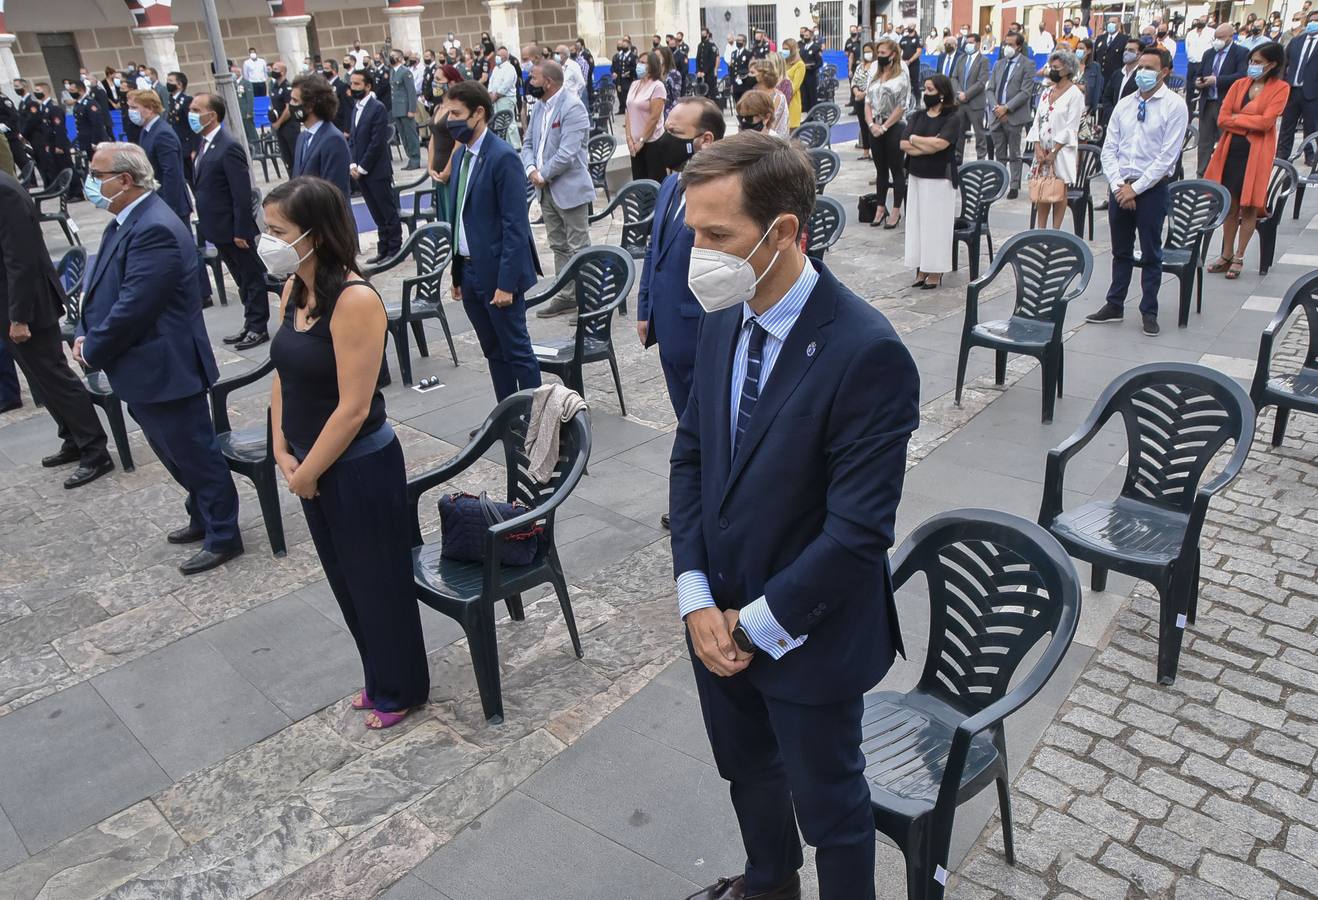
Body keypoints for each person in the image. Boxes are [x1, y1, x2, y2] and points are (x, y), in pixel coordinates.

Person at [670, 130, 919, 900]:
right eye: (693, 232)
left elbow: (856, 535)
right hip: (717, 618)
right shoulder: (727, 312)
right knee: (747, 772)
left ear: (783, 232)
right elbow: (693, 458)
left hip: (808, 633)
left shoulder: (866, 352)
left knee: (833, 811)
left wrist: (750, 626)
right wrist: (696, 597)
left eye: (718, 235)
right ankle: (769, 882)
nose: (699, 253)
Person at [262, 177, 429, 730]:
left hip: (356, 466)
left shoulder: (355, 300)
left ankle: (401, 686)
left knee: (378, 580)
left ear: (316, 235)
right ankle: (377, 674)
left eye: (278, 232)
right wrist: (281, 446)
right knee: (345, 579)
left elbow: (354, 407)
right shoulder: (294, 289)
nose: (269, 241)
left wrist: (307, 471)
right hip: (309, 463)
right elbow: (283, 372)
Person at [76, 143, 241, 573]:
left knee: (195, 454)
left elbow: (136, 305)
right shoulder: (123, 222)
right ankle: (202, 515)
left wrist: (92, 348)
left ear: (125, 180)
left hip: (166, 366)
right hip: (140, 368)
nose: (91, 182)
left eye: (98, 174)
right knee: (172, 452)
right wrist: (83, 330)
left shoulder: (155, 228)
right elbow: (101, 289)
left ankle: (225, 533)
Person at [0, 169, 113, 486]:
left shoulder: (4, 191)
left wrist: (18, 315)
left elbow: (19, 259)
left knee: (55, 377)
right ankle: (72, 438)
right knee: (40, 379)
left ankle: (94, 449)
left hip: (27, 305)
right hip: (12, 306)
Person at [637, 95, 724, 458]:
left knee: (709, 426)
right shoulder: (671, 186)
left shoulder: (725, 193)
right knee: (686, 422)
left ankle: (707, 503)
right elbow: (653, 250)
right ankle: (695, 497)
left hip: (701, 328)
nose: (664, 139)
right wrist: (645, 309)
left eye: (674, 132)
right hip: (667, 325)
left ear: (704, 140)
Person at [445, 81, 542, 400]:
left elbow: (515, 226)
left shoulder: (502, 157)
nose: (450, 120)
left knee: (517, 351)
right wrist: (457, 274)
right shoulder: (461, 157)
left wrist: (506, 283)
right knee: (493, 351)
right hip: (470, 272)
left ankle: (537, 422)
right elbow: (460, 216)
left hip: (499, 275)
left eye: (456, 113)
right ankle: (507, 419)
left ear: (479, 113)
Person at [1088, 46, 1187, 337]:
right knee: (1120, 250)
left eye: (1149, 67)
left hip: (1151, 188)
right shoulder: (1126, 104)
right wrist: (1120, 185)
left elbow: (1167, 157)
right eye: (1140, 66)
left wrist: (1137, 188)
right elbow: (1109, 149)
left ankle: (1149, 310)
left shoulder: (1174, 105)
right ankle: (1114, 303)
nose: (1141, 72)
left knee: (1151, 252)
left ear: (1164, 72)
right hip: (1121, 186)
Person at [190, 92, 269, 350]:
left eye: (196, 109)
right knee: (240, 278)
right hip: (218, 227)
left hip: (234, 228)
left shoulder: (228, 145)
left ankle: (258, 326)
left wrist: (242, 229)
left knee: (251, 276)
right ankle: (249, 322)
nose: (191, 114)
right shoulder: (204, 143)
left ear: (211, 115)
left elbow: (240, 192)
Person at [1204, 43, 1290, 280]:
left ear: (1272, 64)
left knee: (1249, 205)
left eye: (1258, 62)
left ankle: (1240, 256)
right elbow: (1222, 118)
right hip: (1231, 149)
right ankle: (1226, 253)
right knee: (1230, 203)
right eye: (1251, 61)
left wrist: (1238, 118)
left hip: (1257, 152)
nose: (1253, 66)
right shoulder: (1239, 85)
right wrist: (1248, 119)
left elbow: (1266, 123)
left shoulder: (1280, 88)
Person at [521, 59, 595, 320]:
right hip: (545, 190)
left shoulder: (573, 107)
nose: (530, 83)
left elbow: (568, 153)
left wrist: (543, 174)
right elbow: (528, 142)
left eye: (533, 78)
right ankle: (566, 296)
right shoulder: (540, 107)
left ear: (548, 82)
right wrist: (530, 169)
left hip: (569, 189)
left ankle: (589, 300)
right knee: (558, 245)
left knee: (578, 246)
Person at [902, 75, 963, 290]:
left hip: (940, 178)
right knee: (917, 223)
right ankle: (921, 267)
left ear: (942, 93)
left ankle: (936, 269)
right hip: (917, 175)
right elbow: (903, 143)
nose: (926, 93)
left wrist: (916, 140)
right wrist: (922, 144)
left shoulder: (952, 117)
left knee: (936, 225)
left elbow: (941, 144)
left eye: (930, 90)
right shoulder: (918, 116)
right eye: (925, 89)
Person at [348, 68, 404, 265]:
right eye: (352, 83)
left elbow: (376, 142)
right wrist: (353, 164)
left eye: (357, 84)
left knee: (387, 211)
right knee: (376, 213)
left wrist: (362, 167)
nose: (353, 87)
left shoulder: (377, 107)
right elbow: (354, 139)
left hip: (376, 171)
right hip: (361, 171)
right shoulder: (356, 108)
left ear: (368, 86)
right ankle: (383, 248)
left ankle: (395, 248)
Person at [1027, 50, 1085, 229]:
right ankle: (1041, 230)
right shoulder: (1047, 92)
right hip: (1042, 149)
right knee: (1043, 189)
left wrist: (1054, 151)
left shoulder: (1075, 94)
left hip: (1061, 150)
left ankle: (1056, 230)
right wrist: (1036, 146)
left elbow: (1071, 126)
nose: (1051, 71)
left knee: (1059, 190)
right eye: (1050, 67)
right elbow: (1037, 119)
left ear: (1067, 70)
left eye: (1056, 68)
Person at [127, 89, 190, 226]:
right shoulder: (146, 130)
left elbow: (171, 173)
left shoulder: (162, 133)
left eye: (134, 108)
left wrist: (167, 207)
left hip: (171, 204)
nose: (130, 111)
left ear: (149, 108)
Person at [866, 38, 910, 229]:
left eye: (883, 53)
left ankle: (896, 210)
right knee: (880, 169)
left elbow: (902, 105)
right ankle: (880, 208)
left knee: (896, 168)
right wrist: (870, 124)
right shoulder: (875, 74)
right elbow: (867, 101)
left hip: (894, 125)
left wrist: (885, 127)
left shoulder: (901, 75)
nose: (879, 56)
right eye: (878, 53)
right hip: (874, 125)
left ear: (892, 55)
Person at [290, 75, 352, 202]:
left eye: (295, 101)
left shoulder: (333, 139)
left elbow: (333, 191)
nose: (290, 105)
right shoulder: (302, 137)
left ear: (310, 106)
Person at [1197, 24, 1248, 177]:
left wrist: (1217, 80)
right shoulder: (1209, 53)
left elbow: (1241, 76)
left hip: (1226, 104)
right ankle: (1202, 174)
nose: (1217, 41)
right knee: (1204, 142)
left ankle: (1223, 174)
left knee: (1225, 142)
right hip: (1208, 102)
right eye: (1216, 38)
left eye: (1220, 38)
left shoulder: (1241, 53)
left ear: (1230, 37)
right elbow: (1198, 74)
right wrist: (1198, 82)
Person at [989, 32, 1033, 198]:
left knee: (1014, 152)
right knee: (999, 152)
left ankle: (1014, 185)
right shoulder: (999, 64)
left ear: (1019, 47)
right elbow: (990, 88)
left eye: (1011, 44)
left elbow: (1025, 92)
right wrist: (996, 108)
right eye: (1005, 43)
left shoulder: (1027, 64)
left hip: (1014, 116)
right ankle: (999, 181)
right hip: (996, 115)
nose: (1006, 47)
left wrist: (1006, 108)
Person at [1278, 10, 1318, 163]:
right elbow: (1284, 63)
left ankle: (1310, 156)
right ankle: (1282, 154)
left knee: (1311, 127)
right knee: (1287, 125)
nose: (1313, 23)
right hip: (1292, 90)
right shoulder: (1296, 41)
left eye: (1316, 20)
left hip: (1312, 92)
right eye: (1311, 20)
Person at [625, 51, 668, 181]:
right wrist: (629, 139)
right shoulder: (634, 84)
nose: (639, 65)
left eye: (643, 63)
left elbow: (654, 118)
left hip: (651, 143)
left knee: (654, 183)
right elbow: (628, 111)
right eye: (639, 62)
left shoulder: (657, 86)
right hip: (634, 144)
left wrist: (642, 141)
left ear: (652, 66)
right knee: (639, 182)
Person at [953, 32, 990, 159]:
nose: (968, 45)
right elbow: (954, 77)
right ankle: (958, 157)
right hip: (960, 103)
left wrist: (966, 95)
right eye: (967, 43)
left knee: (979, 133)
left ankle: (981, 158)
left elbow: (981, 82)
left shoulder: (983, 61)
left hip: (975, 103)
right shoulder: (961, 59)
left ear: (978, 44)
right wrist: (959, 93)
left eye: (971, 42)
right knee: (958, 132)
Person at [1101, 37, 1145, 131]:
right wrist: (1112, 112)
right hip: (1112, 120)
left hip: (1131, 123)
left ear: (1140, 54)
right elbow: (1106, 97)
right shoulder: (1117, 73)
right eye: (1125, 49)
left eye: (1131, 50)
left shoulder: (1141, 75)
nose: (1126, 52)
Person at [389, 51, 422, 170]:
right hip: (397, 109)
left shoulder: (405, 72)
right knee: (403, 136)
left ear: (400, 58)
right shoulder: (393, 71)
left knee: (410, 135)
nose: (391, 57)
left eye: (394, 56)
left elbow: (411, 92)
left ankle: (415, 159)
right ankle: (410, 157)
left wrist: (412, 109)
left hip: (406, 109)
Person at [850, 44, 879, 161]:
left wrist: (864, 93)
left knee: (871, 125)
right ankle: (866, 152)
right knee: (863, 126)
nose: (867, 54)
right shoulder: (859, 66)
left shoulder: (876, 67)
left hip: (871, 99)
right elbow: (854, 81)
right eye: (865, 51)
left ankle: (875, 152)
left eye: (869, 51)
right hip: (858, 99)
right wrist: (856, 92)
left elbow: (875, 82)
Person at [489, 47, 521, 148]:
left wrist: (496, 95)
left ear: (505, 57)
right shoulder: (495, 69)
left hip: (505, 99)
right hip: (495, 100)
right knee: (499, 123)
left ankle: (516, 146)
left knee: (509, 123)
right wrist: (490, 94)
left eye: (499, 55)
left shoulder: (510, 68)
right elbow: (491, 82)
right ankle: (504, 145)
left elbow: (506, 85)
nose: (496, 57)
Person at [749, 60, 789, 137]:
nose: (749, 76)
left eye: (753, 73)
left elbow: (771, 125)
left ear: (763, 75)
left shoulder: (778, 97)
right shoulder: (754, 93)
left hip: (773, 142)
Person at [269, 63, 298, 169]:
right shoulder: (274, 87)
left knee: (294, 156)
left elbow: (289, 108)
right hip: (279, 128)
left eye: (275, 69)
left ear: (282, 72)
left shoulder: (287, 87)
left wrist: (278, 123)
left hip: (289, 126)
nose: (273, 71)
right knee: (286, 158)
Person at [1185, 19, 1213, 110]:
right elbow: (1187, 47)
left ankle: (1200, 110)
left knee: (1201, 88)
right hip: (1192, 64)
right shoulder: (1191, 34)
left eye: (1203, 19)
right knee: (1190, 89)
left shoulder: (1211, 32)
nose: (1200, 21)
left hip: (1203, 64)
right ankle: (1189, 112)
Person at [782, 39, 806, 129]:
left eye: (786, 49)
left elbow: (795, 86)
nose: (784, 51)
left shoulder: (800, 65)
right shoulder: (783, 62)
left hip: (792, 101)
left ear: (792, 50)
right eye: (783, 48)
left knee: (792, 131)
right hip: (781, 100)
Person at [798, 26, 823, 112]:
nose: (805, 38)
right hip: (803, 75)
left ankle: (813, 112)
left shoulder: (816, 48)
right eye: (804, 36)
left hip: (811, 75)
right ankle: (805, 112)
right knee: (804, 95)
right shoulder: (802, 48)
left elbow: (820, 63)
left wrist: (812, 67)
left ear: (811, 36)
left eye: (807, 36)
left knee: (812, 95)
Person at [613, 38, 638, 118]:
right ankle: (627, 118)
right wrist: (619, 83)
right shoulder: (621, 56)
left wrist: (629, 73)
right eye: (622, 45)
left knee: (630, 100)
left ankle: (632, 117)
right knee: (624, 100)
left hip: (630, 81)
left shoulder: (632, 56)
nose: (623, 47)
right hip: (622, 81)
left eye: (625, 45)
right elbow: (619, 70)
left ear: (629, 46)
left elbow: (635, 68)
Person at [696, 29, 720, 100]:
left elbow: (711, 61)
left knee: (710, 94)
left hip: (709, 74)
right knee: (701, 94)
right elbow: (698, 59)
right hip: (700, 74)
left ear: (708, 35)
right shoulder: (700, 45)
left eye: (704, 34)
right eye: (701, 34)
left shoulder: (712, 46)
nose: (702, 36)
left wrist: (704, 72)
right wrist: (698, 71)